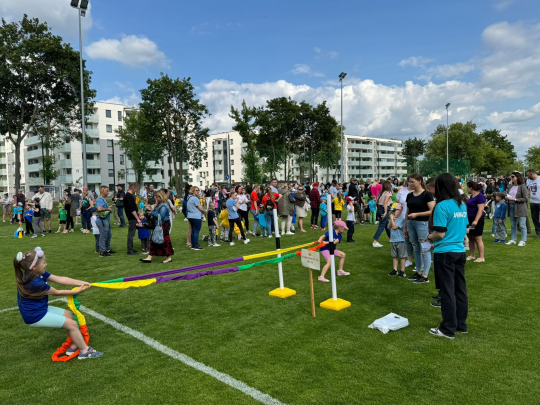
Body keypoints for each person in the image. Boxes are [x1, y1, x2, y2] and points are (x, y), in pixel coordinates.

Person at [13, 247, 103, 358]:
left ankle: (73, 344)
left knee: (71, 316)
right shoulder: (35, 282)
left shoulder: (37, 273)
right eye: (44, 263)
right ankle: (85, 352)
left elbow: (60, 279)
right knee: (72, 324)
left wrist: (81, 283)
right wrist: (77, 291)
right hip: (34, 315)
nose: (46, 264)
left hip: (40, 309)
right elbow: (56, 292)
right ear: (34, 267)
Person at [426, 173, 468, 339]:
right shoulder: (461, 204)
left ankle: (447, 328)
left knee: (447, 291)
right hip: (459, 250)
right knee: (460, 289)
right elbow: (465, 228)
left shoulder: (442, 206)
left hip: (444, 252)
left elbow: (440, 234)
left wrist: (429, 237)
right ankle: (460, 324)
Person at [404, 174, 435, 283]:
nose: (410, 184)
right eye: (409, 182)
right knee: (416, 248)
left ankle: (425, 275)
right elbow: (407, 212)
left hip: (423, 224)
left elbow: (432, 211)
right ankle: (418, 272)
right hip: (411, 224)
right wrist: (405, 226)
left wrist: (417, 214)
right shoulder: (409, 195)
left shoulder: (427, 195)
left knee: (425, 249)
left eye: (412, 181)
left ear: (420, 181)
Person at [140, 190, 174, 262]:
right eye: (156, 197)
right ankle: (150, 257)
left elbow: (161, 216)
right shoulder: (160, 204)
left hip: (163, 225)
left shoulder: (164, 206)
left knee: (164, 241)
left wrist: (151, 213)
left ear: (161, 197)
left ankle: (169, 257)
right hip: (159, 224)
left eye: (158, 197)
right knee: (154, 240)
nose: (156, 198)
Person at [505, 171, 529, 247]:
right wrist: (507, 197)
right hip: (511, 206)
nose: (511, 178)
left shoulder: (522, 187)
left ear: (517, 178)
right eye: (511, 177)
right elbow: (509, 196)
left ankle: (523, 240)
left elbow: (525, 199)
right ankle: (513, 239)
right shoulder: (510, 187)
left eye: (513, 177)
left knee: (522, 225)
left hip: (520, 207)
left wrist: (515, 199)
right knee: (513, 224)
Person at [465, 181, 486, 262]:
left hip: (477, 219)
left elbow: (480, 209)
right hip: (470, 218)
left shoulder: (480, 196)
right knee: (470, 237)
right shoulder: (472, 196)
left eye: (467, 187)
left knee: (478, 238)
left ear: (471, 188)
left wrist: (476, 221)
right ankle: (472, 255)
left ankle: (481, 257)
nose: (467, 189)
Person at [95, 186, 116, 257]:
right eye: (107, 191)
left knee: (108, 235)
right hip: (102, 221)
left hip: (105, 220)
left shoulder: (102, 199)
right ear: (102, 191)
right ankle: (102, 252)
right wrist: (107, 209)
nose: (108, 192)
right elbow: (99, 209)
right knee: (103, 236)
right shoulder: (100, 199)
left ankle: (108, 249)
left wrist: (108, 208)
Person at [388, 203, 407, 277]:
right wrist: (391, 220)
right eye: (392, 211)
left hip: (400, 240)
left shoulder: (402, 219)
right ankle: (395, 269)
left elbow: (395, 227)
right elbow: (389, 227)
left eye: (394, 211)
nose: (392, 213)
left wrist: (392, 220)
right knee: (394, 256)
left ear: (400, 211)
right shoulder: (393, 219)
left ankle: (402, 271)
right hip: (393, 240)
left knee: (402, 256)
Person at [372, 180, 393, 248]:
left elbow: (377, 202)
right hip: (384, 209)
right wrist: (386, 212)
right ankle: (375, 241)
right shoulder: (388, 192)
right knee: (382, 225)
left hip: (379, 208)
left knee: (386, 224)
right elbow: (385, 203)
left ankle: (391, 238)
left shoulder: (381, 192)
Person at [186, 186, 205, 251]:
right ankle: (196, 245)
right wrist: (204, 211)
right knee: (196, 231)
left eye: (198, 190)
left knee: (193, 231)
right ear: (193, 191)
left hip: (190, 216)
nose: (198, 191)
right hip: (196, 216)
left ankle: (193, 245)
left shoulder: (189, 198)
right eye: (196, 190)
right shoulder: (195, 198)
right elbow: (200, 207)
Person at [124, 183, 141, 255]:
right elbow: (132, 209)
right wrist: (137, 218)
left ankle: (131, 249)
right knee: (131, 234)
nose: (136, 190)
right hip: (132, 218)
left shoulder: (128, 196)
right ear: (133, 188)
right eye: (136, 189)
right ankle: (130, 250)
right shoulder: (129, 196)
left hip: (132, 217)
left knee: (131, 233)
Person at [526, 169, 540, 238]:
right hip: (532, 202)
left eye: (528, 175)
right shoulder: (529, 181)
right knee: (535, 218)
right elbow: (528, 190)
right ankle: (538, 233)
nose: (527, 177)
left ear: (532, 174)